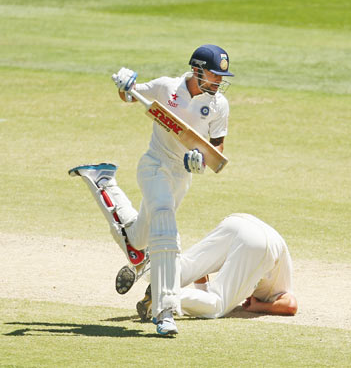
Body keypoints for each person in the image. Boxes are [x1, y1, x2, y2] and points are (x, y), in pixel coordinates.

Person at [68, 44, 234, 336]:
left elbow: (216, 148)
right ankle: (165, 311)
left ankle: (102, 181)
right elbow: (130, 95)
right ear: (197, 69)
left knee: (141, 237)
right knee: (166, 226)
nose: (219, 81)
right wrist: (125, 84)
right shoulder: (165, 87)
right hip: (154, 165)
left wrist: (200, 161)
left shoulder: (219, 104)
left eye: (222, 76)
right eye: (214, 74)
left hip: (181, 177)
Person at [135, 213, 297, 323]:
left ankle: (150, 264)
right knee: (217, 305)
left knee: (190, 265)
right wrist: (258, 307)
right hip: (262, 243)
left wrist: (203, 291)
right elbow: (290, 305)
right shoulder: (275, 292)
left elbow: (201, 270)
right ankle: (165, 297)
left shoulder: (266, 274)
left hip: (238, 221)